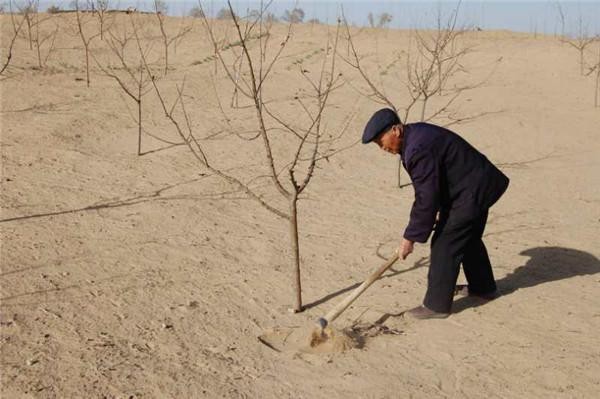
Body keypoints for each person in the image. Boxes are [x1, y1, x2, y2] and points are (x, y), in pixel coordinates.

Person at [362, 108, 509, 319]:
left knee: (445, 243)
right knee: (467, 237)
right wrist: (441, 210)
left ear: (396, 130)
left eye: (380, 141)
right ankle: (483, 288)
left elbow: (426, 196)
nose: (382, 148)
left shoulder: (417, 148)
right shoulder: (415, 137)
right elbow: (437, 180)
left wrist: (410, 238)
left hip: (472, 190)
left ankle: (436, 306)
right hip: (475, 184)